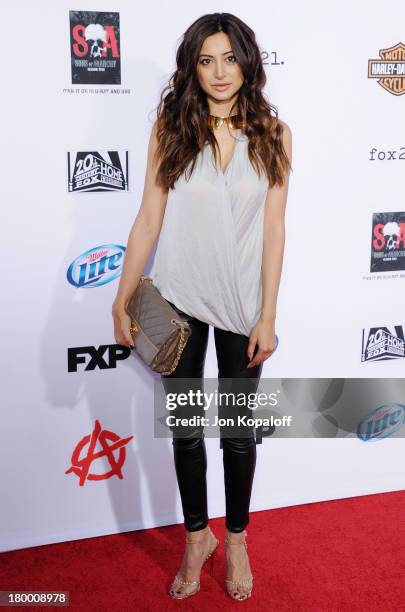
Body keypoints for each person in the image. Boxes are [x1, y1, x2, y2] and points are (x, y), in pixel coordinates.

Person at [112, 12, 292, 602]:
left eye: (229, 57)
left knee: (238, 435)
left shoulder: (273, 132)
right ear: (192, 65)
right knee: (187, 432)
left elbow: (272, 229)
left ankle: (235, 538)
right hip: (179, 302)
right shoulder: (171, 127)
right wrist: (122, 295)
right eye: (206, 59)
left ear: (248, 60)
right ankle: (198, 538)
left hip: (242, 306)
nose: (219, 72)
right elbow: (147, 220)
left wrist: (268, 314)